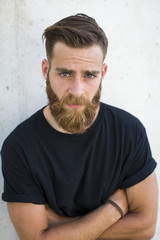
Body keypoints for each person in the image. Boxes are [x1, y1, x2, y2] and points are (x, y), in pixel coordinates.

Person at [1, 13, 158, 240]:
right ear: (46, 70)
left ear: (102, 74)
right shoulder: (19, 146)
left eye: (89, 75)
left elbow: (145, 228)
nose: (77, 90)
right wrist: (114, 209)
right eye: (65, 73)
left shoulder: (128, 132)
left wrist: (63, 227)